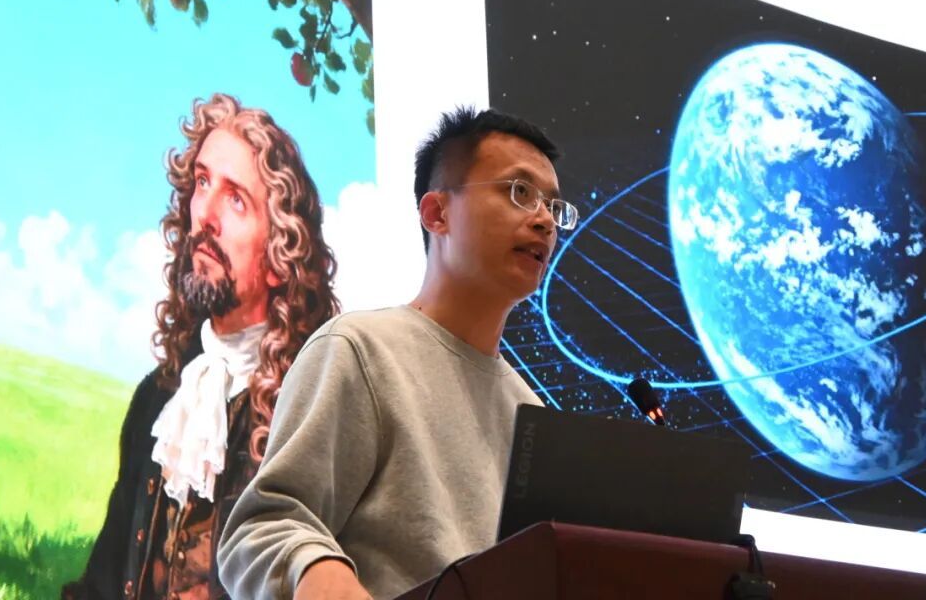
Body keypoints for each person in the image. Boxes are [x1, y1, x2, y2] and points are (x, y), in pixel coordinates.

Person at [217, 107, 579, 599]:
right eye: (519, 192)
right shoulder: (360, 351)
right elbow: (263, 528)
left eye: (554, 208)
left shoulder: (531, 413)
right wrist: (319, 572)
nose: (544, 221)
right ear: (436, 213)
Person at [63, 93, 338, 600]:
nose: (205, 215)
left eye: (236, 200)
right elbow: (102, 582)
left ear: (281, 253)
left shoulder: (307, 413)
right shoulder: (157, 399)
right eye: (202, 183)